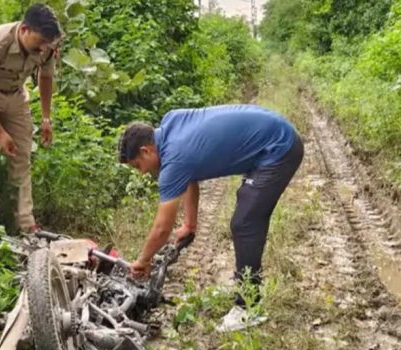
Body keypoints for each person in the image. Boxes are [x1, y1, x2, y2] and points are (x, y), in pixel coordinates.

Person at [118, 104, 304, 331]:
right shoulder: (170, 124)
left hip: (279, 148)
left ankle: (249, 308)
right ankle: (246, 288)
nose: (143, 172)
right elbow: (190, 177)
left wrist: (143, 260)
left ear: (146, 151)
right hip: (273, 134)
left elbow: (162, 229)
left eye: (138, 166)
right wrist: (190, 223)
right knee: (246, 215)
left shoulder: (175, 160)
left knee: (245, 223)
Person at [0, 4, 62, 233]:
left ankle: (26, 226)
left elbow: (45, 78)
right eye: (41, 42)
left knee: (22, 153)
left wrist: (46, 118)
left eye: (48, 43)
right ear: (25, 29)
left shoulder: (46, 46)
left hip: (16, 96)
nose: (44, 48)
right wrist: (0, 132)